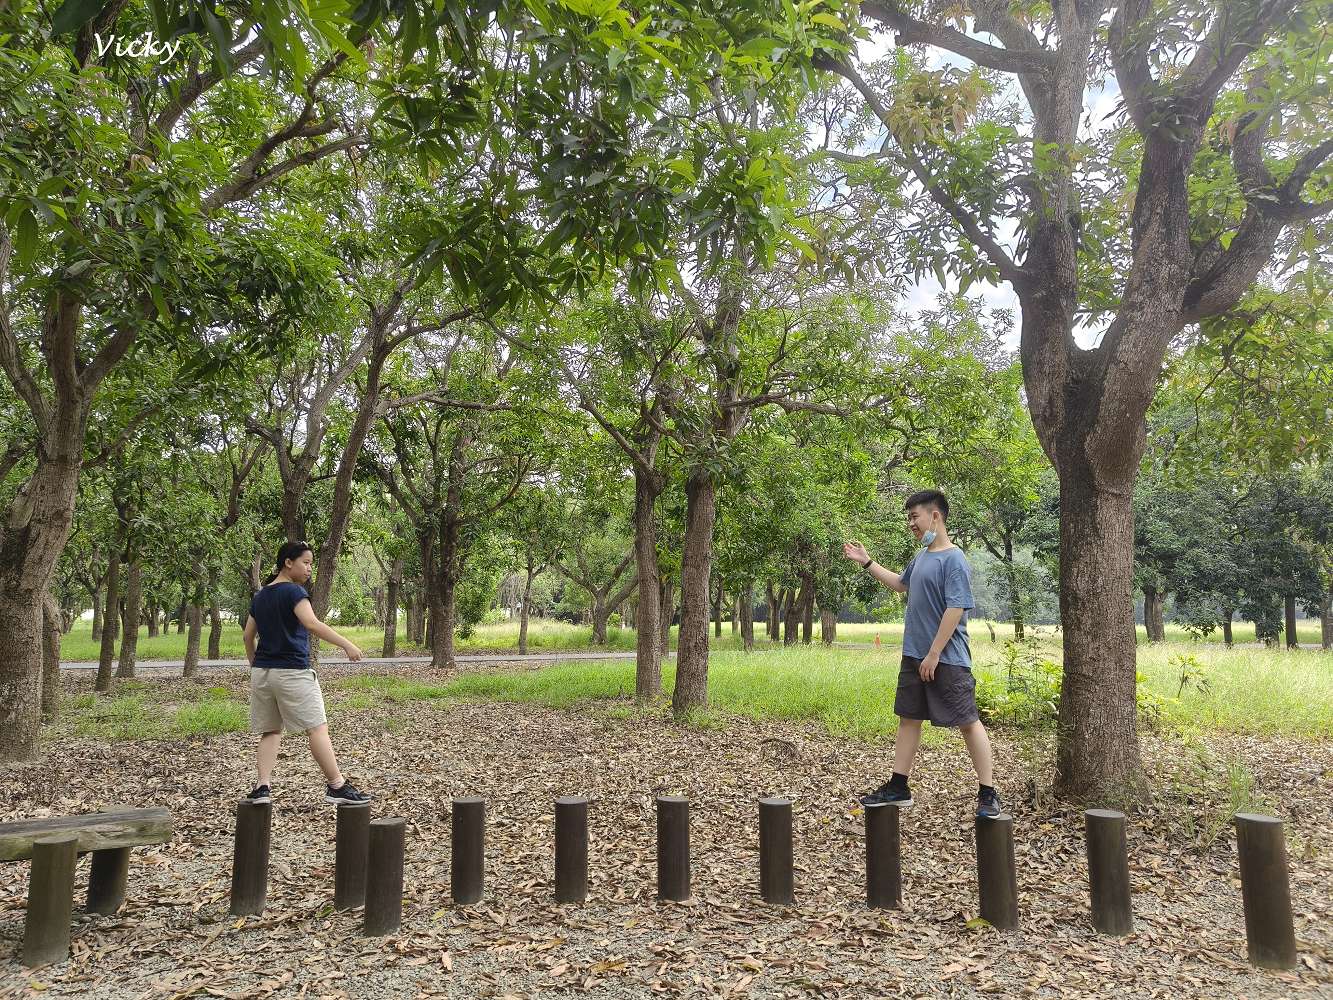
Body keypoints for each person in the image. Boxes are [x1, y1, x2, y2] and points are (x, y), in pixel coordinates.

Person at [843, 490, 1001, 818]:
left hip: (947, 658)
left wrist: (934, 653)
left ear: (935, 516)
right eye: (909, 517)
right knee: (909, 719)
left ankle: (988, 793)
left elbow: (956, 607)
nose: (911, 523)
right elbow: (901, 584)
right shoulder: (923, 556)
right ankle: (898, 787)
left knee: (969, 722)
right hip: (915, 655)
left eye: (914, 516)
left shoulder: (954, 559)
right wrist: (867, 561)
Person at [243, 540, 372, 806]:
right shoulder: (293, 592)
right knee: (317, 729)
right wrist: (347, 644)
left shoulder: (260, 596)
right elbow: (312, 624)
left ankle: (262, 788)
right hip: (292, 672)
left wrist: (255, 664)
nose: (310, 568)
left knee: (271, 731)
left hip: (263, 674)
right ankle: (336, 785)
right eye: (306, 562)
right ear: (288, 562)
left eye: (311, 563)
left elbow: (248, 635)